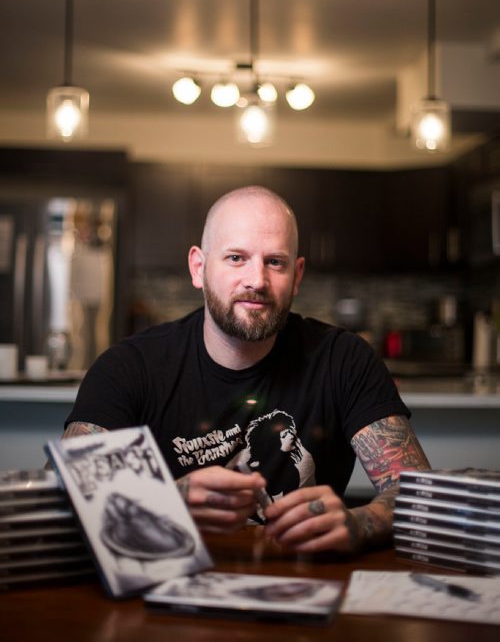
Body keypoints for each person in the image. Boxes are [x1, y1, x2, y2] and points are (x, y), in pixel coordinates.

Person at [63, 185, 430, 554]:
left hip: (308, 585)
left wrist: (358, 523)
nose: (257, 280)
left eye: (275, 262)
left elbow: (420, 497)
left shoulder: (344, 360)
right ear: (199, 267)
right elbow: (65, 498)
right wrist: (165, 502)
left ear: (297, 275)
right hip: (169, 583)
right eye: (236, 258)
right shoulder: (128, 367)